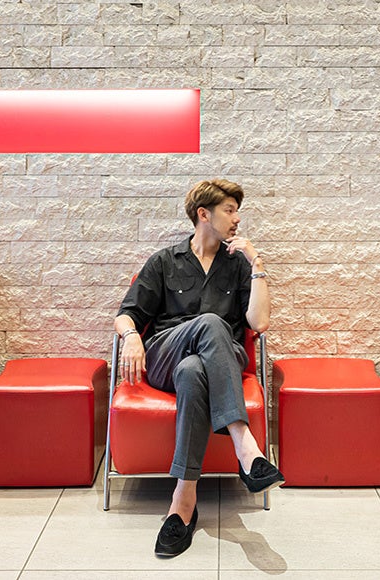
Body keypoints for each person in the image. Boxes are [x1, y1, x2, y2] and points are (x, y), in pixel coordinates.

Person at [114, 178, 284, 558]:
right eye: (230, 210)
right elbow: (126, 314)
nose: (237, 219)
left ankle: (183, 501)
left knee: (194, 370)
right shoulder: (165, 261)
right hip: (166, 354)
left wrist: (256, 264)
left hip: (214, 362)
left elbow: (258, 323)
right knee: (208, 323)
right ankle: (245, 446)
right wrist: (132, 336)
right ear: (203, 214)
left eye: (237, 211)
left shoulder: (237, 265)